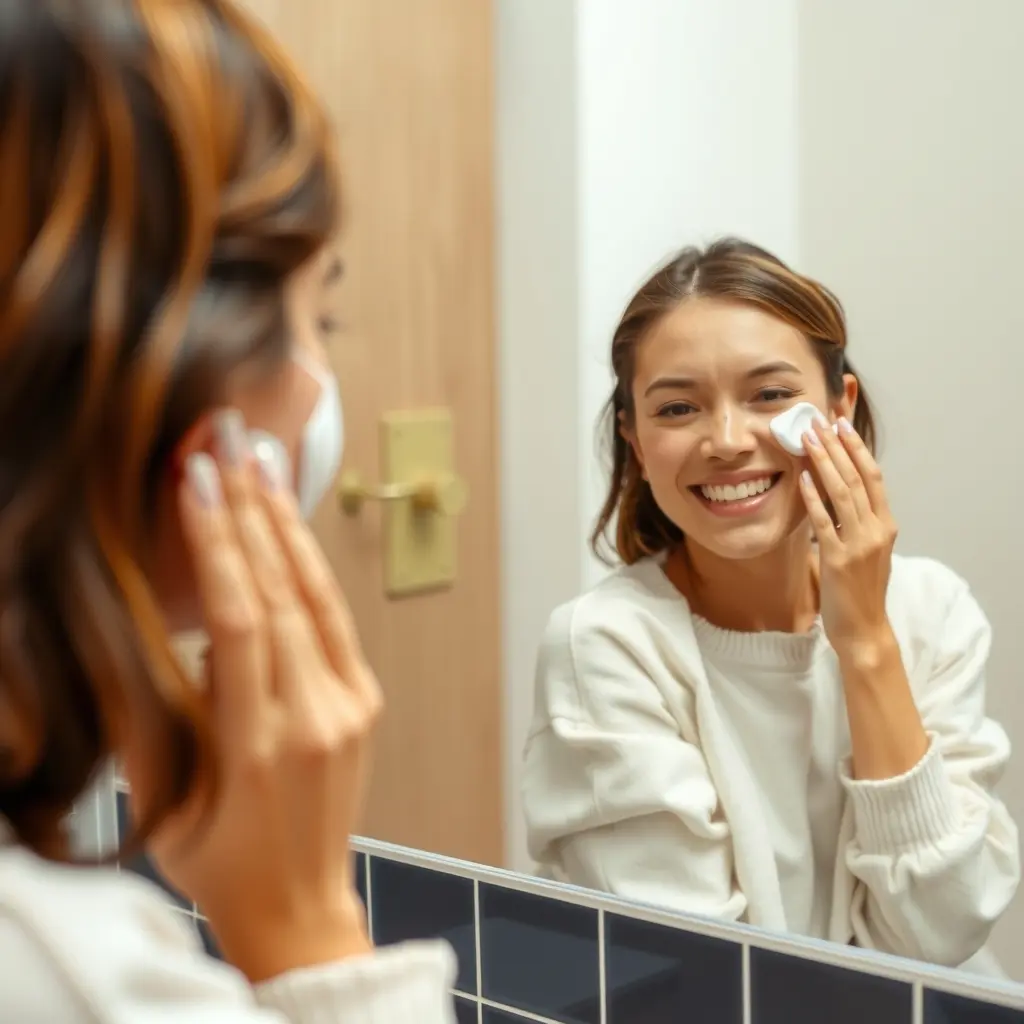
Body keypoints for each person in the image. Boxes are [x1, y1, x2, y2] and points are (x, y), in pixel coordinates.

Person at [0, 1, 454, 1021]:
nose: (320, 388)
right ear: (189, 397)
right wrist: (308, 936)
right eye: (318, 315)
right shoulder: (68, 974)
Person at [522, 238, 1020, 972]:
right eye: (679, 406)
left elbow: (942, 933)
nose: (727, 441)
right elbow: (701, 974)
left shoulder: (932, 611)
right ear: (634, 436)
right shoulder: (606, 645)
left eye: (771, 395)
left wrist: (867, 645)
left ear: (839, 406)